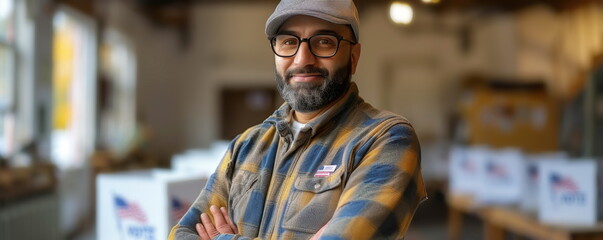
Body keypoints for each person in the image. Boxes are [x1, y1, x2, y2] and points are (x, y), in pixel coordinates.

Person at [169, 0, 427, 239]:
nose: (303, 59)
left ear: (353, 56)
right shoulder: (246, 145)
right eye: (288, 42)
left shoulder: (386, 139)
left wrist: (223, 237)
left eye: (324, 41)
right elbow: (182, 233)